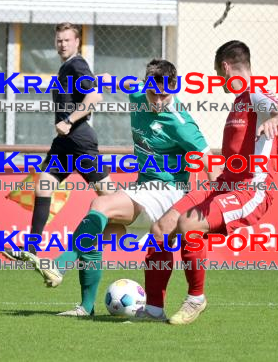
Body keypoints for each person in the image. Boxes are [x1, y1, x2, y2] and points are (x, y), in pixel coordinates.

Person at [39, 59, 220, 317]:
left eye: (165, 95)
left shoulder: (180, 122)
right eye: (153, 93)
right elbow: (112, 80)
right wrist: (95, 78)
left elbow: (208, 159)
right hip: (144, 187)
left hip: (168, 190)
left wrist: (217, 202)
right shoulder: (136, 94)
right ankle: (87, 308)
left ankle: (59, 265)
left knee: (100, 205)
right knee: (95, 233)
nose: (158, 101)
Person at [144, 40, 278, 325]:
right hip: (225, 184)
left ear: (226, 68)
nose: (218, 80)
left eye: (218, 74)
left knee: (189, 225)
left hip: (251, 190)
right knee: (161, 227)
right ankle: (152, 311)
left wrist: (276, 121)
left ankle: (196, 298)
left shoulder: (255, 94)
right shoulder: (239, 102)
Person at [0, 22, 115, 267]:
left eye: (67, 40)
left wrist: (69, 120)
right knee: (43, 184)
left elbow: (95, 95)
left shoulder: (76, 64)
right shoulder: (67, 67)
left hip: (80, 141)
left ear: (77, 42)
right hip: (64, 144)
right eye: (59, 40)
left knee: (110, 199)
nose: (62, 44)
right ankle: (31, 249)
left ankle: (145, 227)